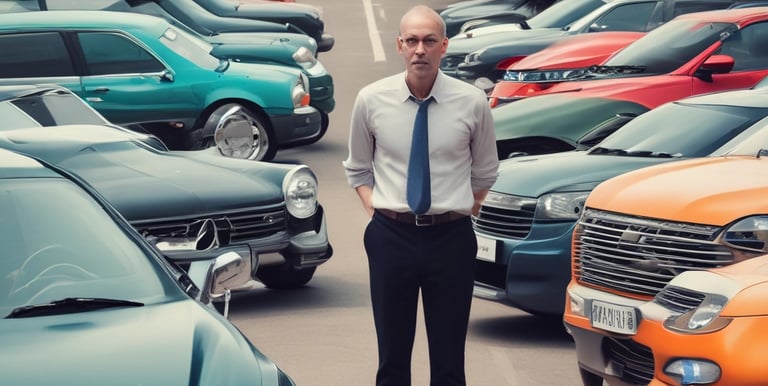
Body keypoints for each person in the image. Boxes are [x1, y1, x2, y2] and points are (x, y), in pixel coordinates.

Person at [342, 5, 499, 386]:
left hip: (452, 238)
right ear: (399, 45)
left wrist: (459, 209)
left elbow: (485, 171)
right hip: (391, 236)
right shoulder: (371, 100)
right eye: (411, 41)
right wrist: (378, 213)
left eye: (429, 41)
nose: (420, 50)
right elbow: (358, 169)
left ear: (444, 46)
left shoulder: (471, 102)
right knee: (392, 360)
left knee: (449, 363)